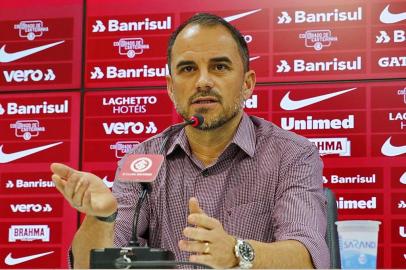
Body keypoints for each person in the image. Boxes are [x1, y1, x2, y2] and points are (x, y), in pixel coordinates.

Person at [51, 13, 329, 269]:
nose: (203, 81)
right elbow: (91, 266)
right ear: (171, 88)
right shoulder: (142, 160)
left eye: (219, 67)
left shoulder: (292, 154)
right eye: (187, 69)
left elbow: (307, 258)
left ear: (247, 84)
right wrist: (101, 217)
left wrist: (236, 252)